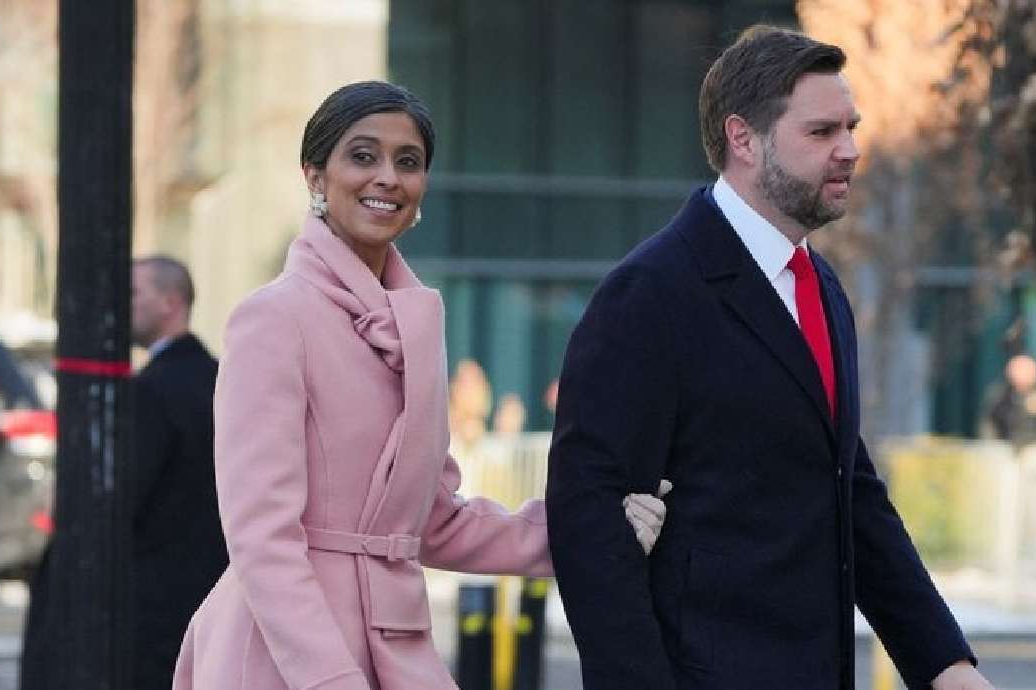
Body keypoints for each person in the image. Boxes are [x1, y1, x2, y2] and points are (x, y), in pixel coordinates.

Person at [172, 81, 667, 690]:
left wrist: (592, 529)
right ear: (315, 176)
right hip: (284, 658)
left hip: (398, 651)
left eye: (408, 162)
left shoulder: (418, 328)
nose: (387, 177)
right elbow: (262, 539)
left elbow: (435, 524)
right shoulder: (273, 318)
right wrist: (330, 679)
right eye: (362, 155)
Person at [546, 26, 993, 690]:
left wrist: (944, 665)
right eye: (821, 132)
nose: (850, 150)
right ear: (742, 139)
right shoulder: (651, 293)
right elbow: (589, 525)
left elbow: (851, 496)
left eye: (851, 127)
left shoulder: (823, 289)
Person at [130, 255, 228, 689]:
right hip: (219, 588)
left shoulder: (151, 390)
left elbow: (129, 496)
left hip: (154, 603)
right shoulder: (222, 378)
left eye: (134, 293)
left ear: (171, 302)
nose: (123, 304)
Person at [979, 353, 1036, 450]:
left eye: (1025, 372)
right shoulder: (1000, 394)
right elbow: (989, 422)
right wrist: (993, 445)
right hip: (1006, 448)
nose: (1021, 376)